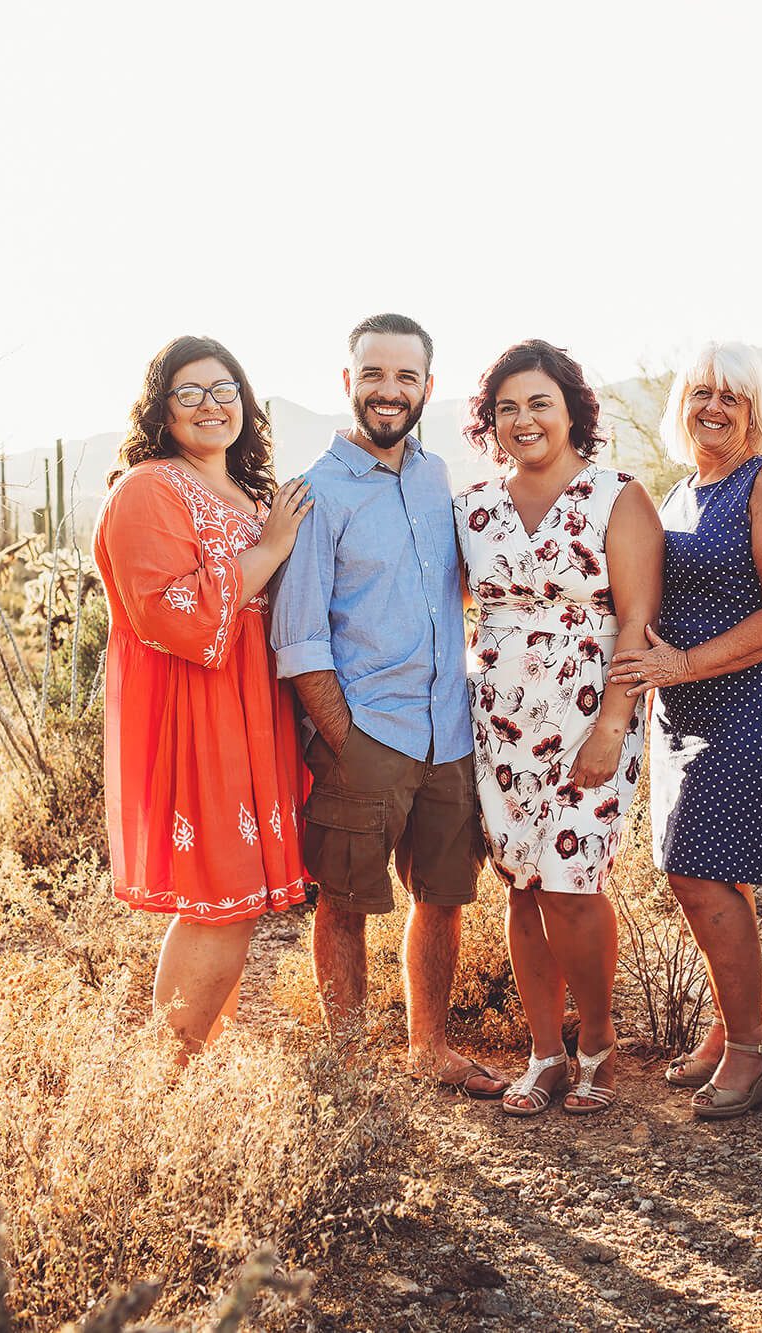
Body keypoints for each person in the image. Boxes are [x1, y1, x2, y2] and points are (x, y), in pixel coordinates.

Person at [269, 313, 508, 1097]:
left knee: (441, 897)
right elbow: (299, 637)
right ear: (348, 382)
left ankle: (428, 1048)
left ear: (427, 388)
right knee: (345, 902)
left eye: (406, 377)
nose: (389, 390)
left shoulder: (439, 477)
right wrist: (344, 737)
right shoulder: (315, 493)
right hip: (367, 735)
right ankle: (345, 1065)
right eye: (374, 374)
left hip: (449, 730)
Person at [608, 341, 762, 1120]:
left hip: (749, 702)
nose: (716, 408)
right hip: (681, 707)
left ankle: (752, 1050)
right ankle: (731, 1027)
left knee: (703, 872)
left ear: (757, 409)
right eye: (702, 393)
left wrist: (687, 664)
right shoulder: (679, 494)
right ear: (681, 405)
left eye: (733, 396)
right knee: (696, 872)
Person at [455, 340, 663, 1117]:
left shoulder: (618, 496)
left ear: (573, 409)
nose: (523, 418)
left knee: (574, 884)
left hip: (591, 712)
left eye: (539, 402)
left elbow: (638, 622)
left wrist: (615, 721)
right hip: (501, 717)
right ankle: (545, 1052)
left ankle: (598, 1045)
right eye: (506, 406)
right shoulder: (472, 506)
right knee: (523, 882)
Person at [92, 335, 314, 1061]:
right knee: (217, 901)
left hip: (259, 708)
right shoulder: (148, 487)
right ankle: (170, 1075)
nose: (211, 405)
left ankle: (194, 1066)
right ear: (161, 409)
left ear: (247, 405)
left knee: (238, 905)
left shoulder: (252, 496)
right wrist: (273, 549)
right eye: (189, 392)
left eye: (225, 390)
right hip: (199, 711)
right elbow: (169, 611)